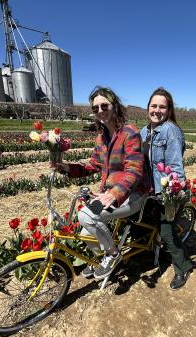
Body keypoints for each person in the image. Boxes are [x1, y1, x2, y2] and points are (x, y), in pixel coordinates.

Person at [56, 87, 149, 279]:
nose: (100, 111)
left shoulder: (129, 133)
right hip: (111, 193)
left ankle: (113, 254)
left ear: (114, 106)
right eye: (95, 108)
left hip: (133, 194)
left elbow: (134, 170)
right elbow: (92, 165)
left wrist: (114, 193)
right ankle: (101, 257)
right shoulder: (101, 138)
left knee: (86, 216)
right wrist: (66, 167)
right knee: (84, 230)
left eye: (104, 106)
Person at [140, 88, 193, 290]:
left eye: (162, 106)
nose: (157, 110)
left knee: (167, 232)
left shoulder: (171, 131)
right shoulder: (144, 131)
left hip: (168, 191)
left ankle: (183, 267)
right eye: (154, 106)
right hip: (149, 190)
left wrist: (173, 194)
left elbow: (175, 166)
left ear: (169, 110)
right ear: (148, 108)